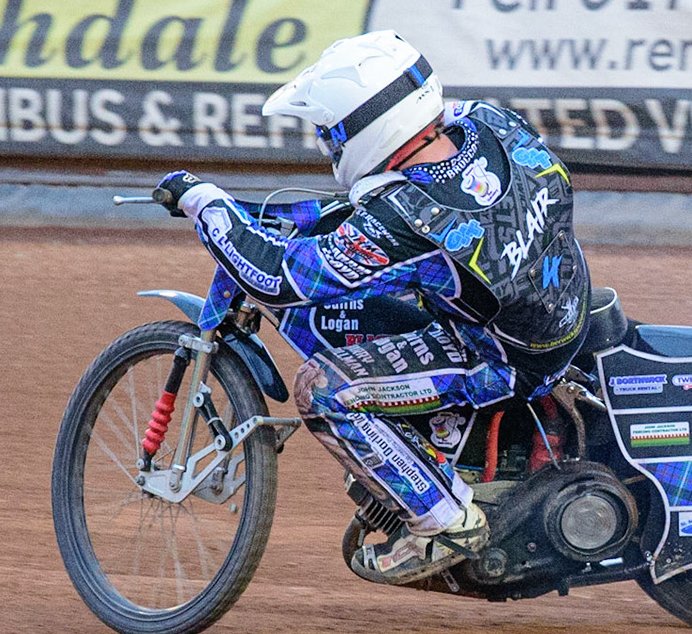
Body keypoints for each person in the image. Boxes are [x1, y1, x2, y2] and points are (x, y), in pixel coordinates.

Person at [151, 30, 591, 585]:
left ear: (366, 127)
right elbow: (373, 205)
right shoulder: (491, 122)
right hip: (559, 299)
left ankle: (445, 522)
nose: (327, 145)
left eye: (331, 133)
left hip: (506, 357)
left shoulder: (404, 216)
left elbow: (279, 279)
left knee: (323, 390)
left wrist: (205, 203)